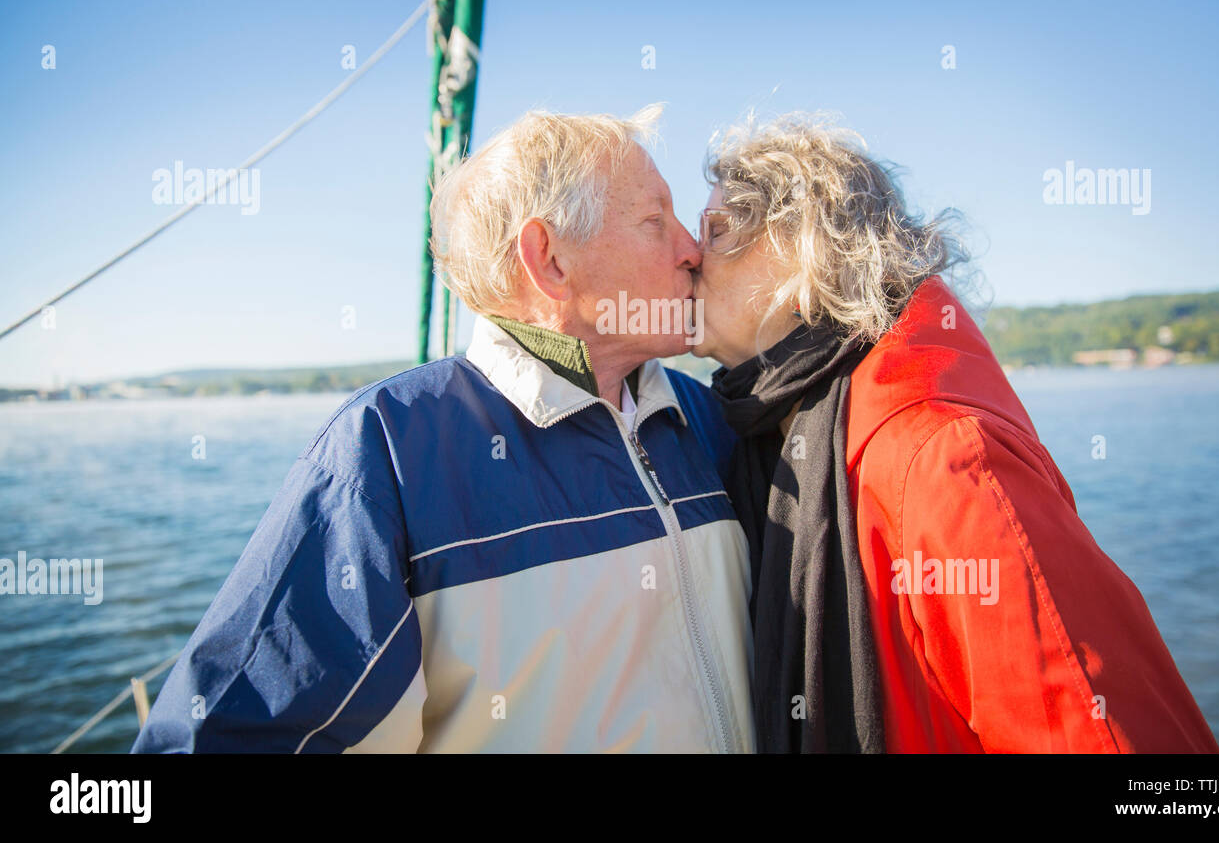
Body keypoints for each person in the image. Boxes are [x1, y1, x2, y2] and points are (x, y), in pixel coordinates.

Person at [133, 105, 756, 753]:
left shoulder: (708, 419)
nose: (691, 250)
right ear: (549, 261)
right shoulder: (387, 455)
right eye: (656, 221)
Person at [689, 111, 1219, 753]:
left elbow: (1109, 738)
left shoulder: (940, 456)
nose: (689, 257)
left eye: (715, 232)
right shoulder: (778, 436)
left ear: (800, 254)